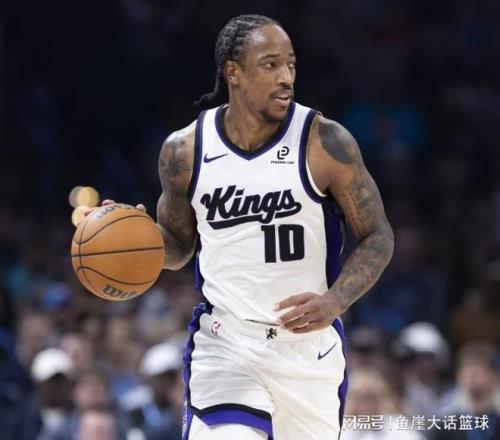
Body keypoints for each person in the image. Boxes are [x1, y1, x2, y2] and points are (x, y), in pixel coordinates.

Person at [93, 14, 393, 440]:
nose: (286, 77)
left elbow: (378, 235)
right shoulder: (185, 151)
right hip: (227, 344)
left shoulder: (325, 142)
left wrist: (336, 300)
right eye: (271, 64)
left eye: (290, 64)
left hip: (307, 351)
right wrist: (133, 235)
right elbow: (178, 246)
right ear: (233, 72)